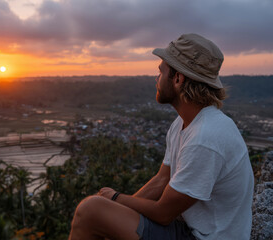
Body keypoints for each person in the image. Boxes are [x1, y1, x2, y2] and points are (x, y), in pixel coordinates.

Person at [68, 33, 254, 240]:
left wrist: (116, 197)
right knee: (100, 210)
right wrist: (116, 208)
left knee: (90, 210)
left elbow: (163, 213)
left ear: (177, 79)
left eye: (160, 72)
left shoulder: (206, 137)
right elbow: (161, 180)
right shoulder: (184, 124)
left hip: (202, 236)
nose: (156, 79)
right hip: (188, 229)